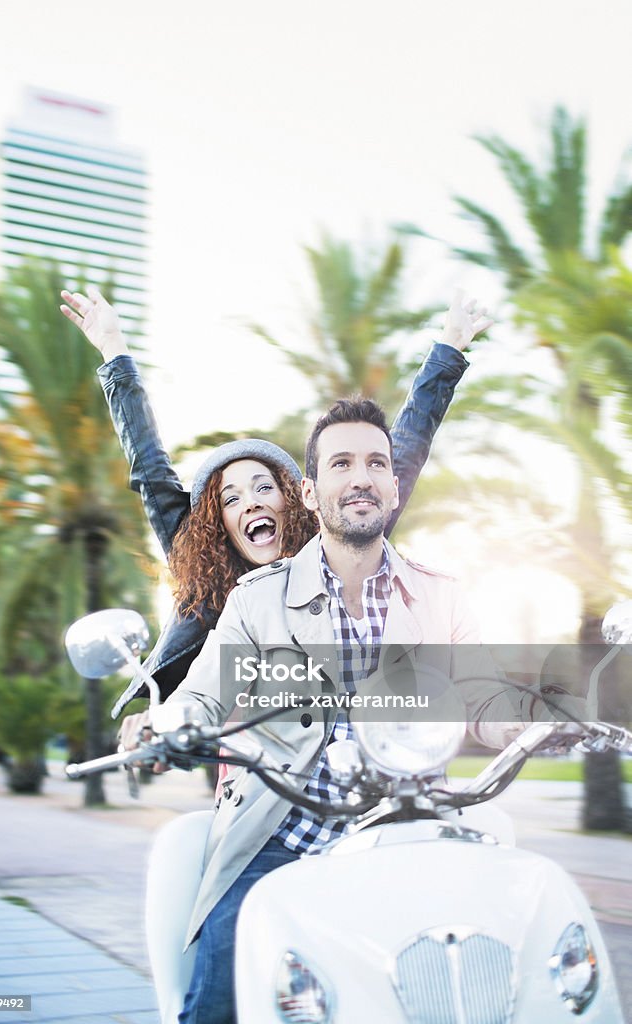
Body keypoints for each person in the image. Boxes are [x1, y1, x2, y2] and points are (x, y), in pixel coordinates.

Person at [150, 396, 541, 1024]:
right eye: (340, 463)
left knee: (493, 978)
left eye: (375, 463)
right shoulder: (256, 599)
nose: (359, 477)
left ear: (393, 484)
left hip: (411, 830)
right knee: (222, 986)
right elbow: (202, 693)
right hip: (283, 836)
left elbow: (482, 692)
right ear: (309, 491)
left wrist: (522, 720)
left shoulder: (442, 597)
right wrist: (170, 725)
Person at [59, 286, 492, 728]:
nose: (250, 503)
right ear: (217, 524)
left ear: (299, 498)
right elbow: (150, 470)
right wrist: (114, 351)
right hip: (241, 753)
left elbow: (401, 451)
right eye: (231, 498)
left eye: (263, 487)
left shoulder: (338, 541)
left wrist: (449, 347)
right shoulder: (203, 569)